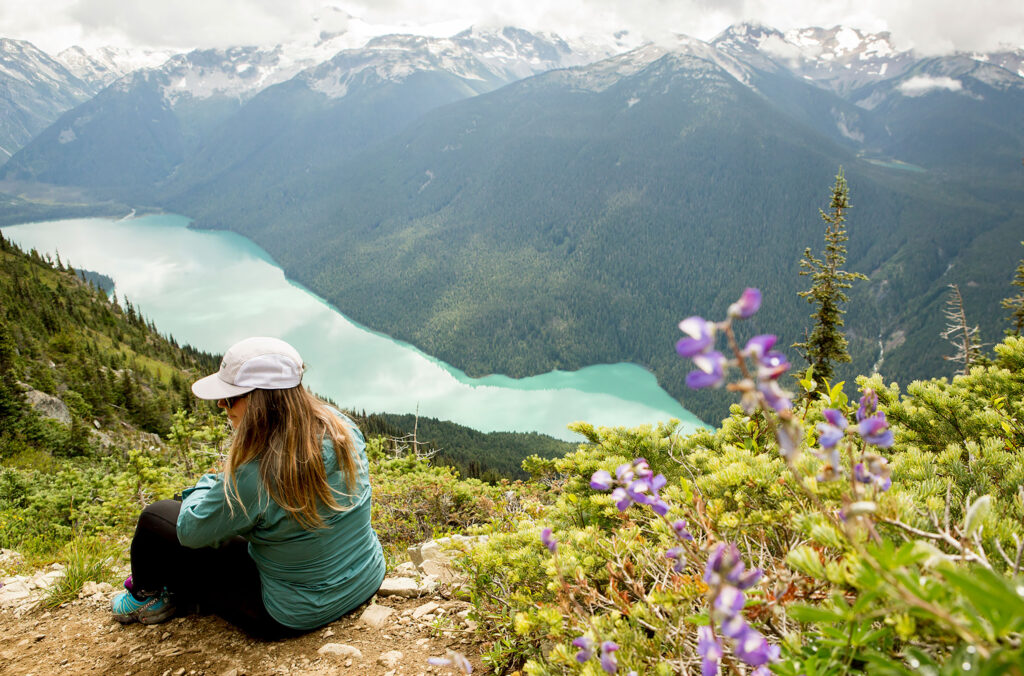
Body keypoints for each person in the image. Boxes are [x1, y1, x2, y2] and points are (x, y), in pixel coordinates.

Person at [110, 337, 385, 638]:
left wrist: (211, 482)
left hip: (291, 614)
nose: (221, 405)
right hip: (366, 576)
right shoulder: (341, 427)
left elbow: (190, 531)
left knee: (156, 518)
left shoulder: (253, 475)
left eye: (229, 398)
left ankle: (144, 596)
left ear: (259, 400)